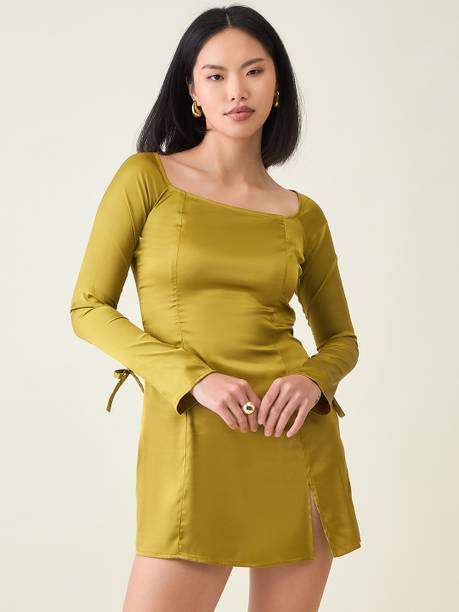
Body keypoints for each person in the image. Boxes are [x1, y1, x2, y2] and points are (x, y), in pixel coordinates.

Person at [69, 5, 361, 612]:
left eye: (254, 71)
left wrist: (312, 380)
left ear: (277, 84)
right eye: (216, 75)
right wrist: (193, 378)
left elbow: (342, 341)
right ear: (192, 91)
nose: (236, 91)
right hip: (192, 437)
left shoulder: (302, 215)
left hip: (293, 438)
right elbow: (89, 307)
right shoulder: (147, 178)